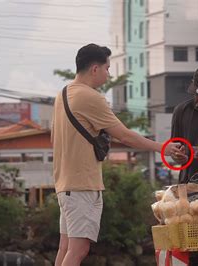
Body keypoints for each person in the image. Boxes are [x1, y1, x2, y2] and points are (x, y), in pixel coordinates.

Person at [51, 43, 180, 266]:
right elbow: (125, 136)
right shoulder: (90, 97)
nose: (108, 74)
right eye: (107, 68)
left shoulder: (62, 94)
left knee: (66, 248)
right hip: (82, 184)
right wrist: (162, 148)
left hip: (65, 183)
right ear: (94, 69)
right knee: (79, 249)